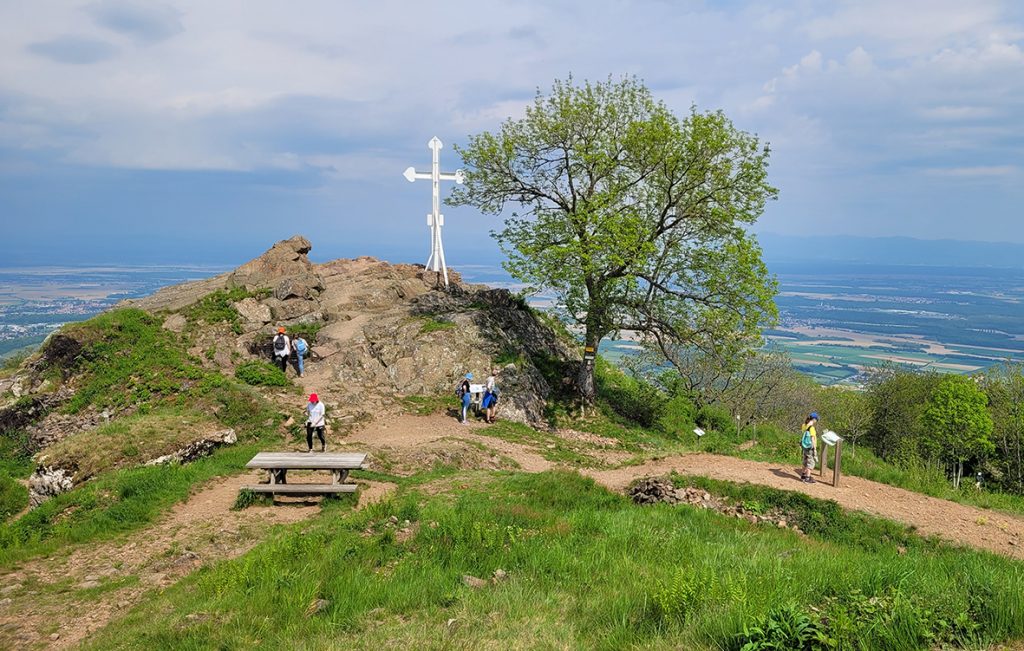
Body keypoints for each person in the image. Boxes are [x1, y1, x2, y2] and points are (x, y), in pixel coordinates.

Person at [800, 412, 819, 483]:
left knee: (805, 461)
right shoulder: (812, 428)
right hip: (810, 447)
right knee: (810, 462)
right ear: (814, 419)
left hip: (804, 446)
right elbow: (813, 439)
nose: (816, 421)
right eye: (816, 419)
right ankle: (807, 478)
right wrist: (814, 449)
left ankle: (803, 476)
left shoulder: (804, 425)